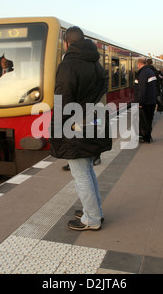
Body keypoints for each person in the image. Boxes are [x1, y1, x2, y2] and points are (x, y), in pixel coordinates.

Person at [49, 26, 111, 231]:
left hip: (74, 124)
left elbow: (63, 99)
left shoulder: (69, 65)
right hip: (93, 121)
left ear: (67, 43)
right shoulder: (95, 63)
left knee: (80, 172)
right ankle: (94, 211)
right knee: (87, 168)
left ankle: (91, 218)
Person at [135, 57, 157, 143]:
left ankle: (146, 137)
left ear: (139, 64)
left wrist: (140, 102)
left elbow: (142, 89)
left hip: (146, 102)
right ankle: (147, 136)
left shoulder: (143, 73)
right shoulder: (150, 71)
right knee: (148, 119)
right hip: (151, 100)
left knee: (145, 121)